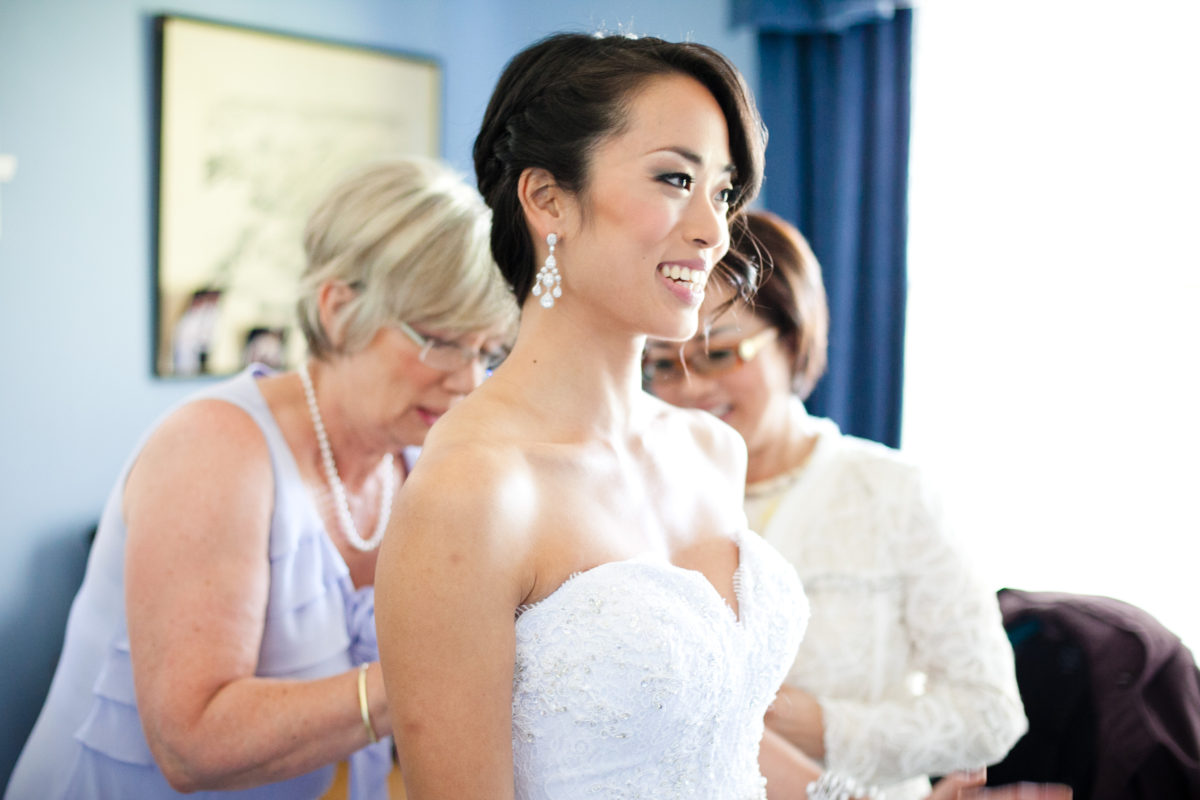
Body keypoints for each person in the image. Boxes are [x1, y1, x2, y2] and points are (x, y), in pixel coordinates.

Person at [373, 31, 821, 800]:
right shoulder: (473, 493)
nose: (715, 231)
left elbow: (714, 734)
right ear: (548, 199)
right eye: (675, 178)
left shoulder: (712, 450)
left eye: (721, 192)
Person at [5, 156, 517, 800]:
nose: (469, 380)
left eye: (488, 352)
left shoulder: (417, 462)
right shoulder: (215, 450)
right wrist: (435, 675)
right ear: (338, 309)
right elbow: (192, 746)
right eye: (442, 341)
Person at [644, 209, 1029, 799]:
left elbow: (992, 713)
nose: (690, 389)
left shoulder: (893, 492)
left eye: (720, 353)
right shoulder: (641, 500)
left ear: (792, 338)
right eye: (664, 367)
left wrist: (824, 726)